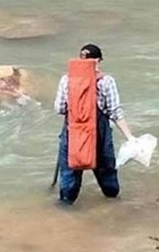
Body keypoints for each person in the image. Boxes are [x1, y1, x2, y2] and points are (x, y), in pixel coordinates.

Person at [54, 43, 136, 205]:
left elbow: (60, 108)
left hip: (73, 134)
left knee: (69, 179)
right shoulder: (106, 81)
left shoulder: (66, 79)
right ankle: (113, 208)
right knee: (108, 180)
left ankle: (65, 214)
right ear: (98, 61)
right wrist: (130, 137)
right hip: (99, 136)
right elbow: (115, 112)